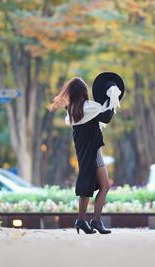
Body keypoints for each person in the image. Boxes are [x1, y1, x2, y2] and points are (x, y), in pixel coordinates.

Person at [49, 74, 124, 234]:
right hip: (94, 151)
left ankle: (81, 220)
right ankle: (96, 221)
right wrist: (113, 95)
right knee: (104, 186)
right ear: (83, 92)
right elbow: (107, 116)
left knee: (86, 184)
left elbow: (101, 116)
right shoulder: (89, 107)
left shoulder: (72, 111)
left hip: (84, 153)